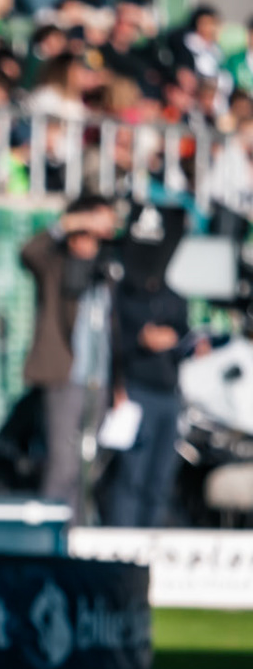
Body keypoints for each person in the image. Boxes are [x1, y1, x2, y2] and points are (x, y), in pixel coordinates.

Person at [107, 207, 208, 528]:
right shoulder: (122, 294)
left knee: (161, 477)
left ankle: (150, 539)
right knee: (132, 476)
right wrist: (142, 340)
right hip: (136, 391)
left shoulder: (174, 298)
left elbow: (184, 338)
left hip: (169, 395)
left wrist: (186, 344)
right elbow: (111, 343)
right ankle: (124, 540)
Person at [20, 195, 119, 515]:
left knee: (88, 467)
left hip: (99, 379)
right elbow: (29, 251)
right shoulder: (55, 264)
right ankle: (52, 530)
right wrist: (76, 222)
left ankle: (76, 527)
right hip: (65, 376)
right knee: (63, 463)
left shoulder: (108, 270)